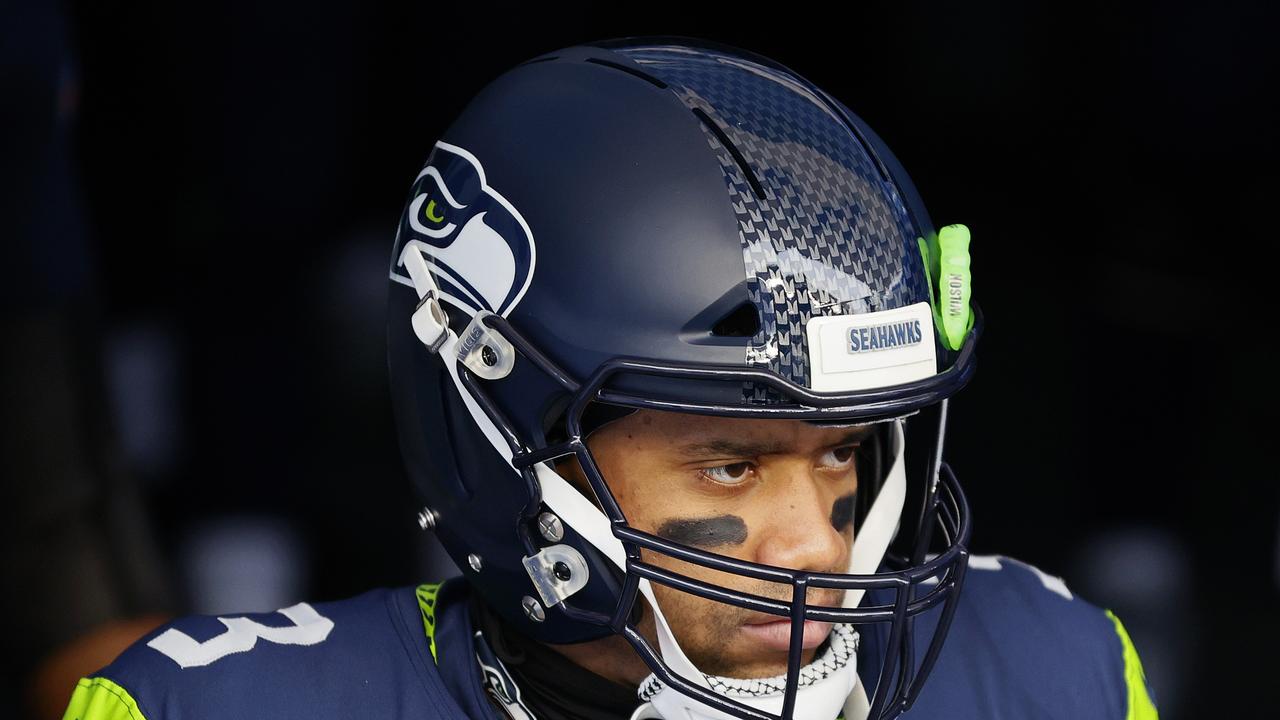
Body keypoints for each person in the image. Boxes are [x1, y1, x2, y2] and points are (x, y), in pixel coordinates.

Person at [60, 35, 1159, 720]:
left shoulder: (1054, 671)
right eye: (728, 465)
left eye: (841, 450)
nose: (816, 545)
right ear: (498, 439)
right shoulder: (209, 706)